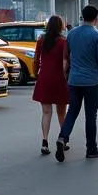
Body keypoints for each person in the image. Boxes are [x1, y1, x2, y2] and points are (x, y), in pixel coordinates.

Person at [56, 5, 98, 162]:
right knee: (90, 116)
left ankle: (62, 137)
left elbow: (67, 56)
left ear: (82, 16)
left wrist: (66, 75)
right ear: (96, 18)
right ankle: (91, 149)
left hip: (74, 80)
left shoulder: (71, 33)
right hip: (92, 82)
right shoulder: (97, 36)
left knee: (72, 111)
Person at [32, 14, 70, 156]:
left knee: (46, 112)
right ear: (60, 26)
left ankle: (44, 141)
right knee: (62, 112)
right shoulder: (63, 42)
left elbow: (36, 60)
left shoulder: (41, 41)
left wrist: (36, 74)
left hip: (45, 78)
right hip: (60, 79)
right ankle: (63, 139)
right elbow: (65, 62)